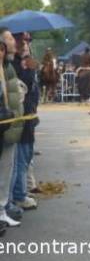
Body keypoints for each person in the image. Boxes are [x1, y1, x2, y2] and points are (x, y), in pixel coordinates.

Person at [0, 28, 26, 229]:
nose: (14, 41)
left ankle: (2, 209)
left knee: (7, 170)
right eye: (9, 38)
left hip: (10, 126)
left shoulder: (9, 64)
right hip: (4, 124)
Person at [10, 33, 39, 210]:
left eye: (28, 40)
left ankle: (21, 191)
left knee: (27, 155)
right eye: (22, 40)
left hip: (29, 115)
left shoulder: (27, 60)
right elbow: (24, 85)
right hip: (20, 116)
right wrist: (27, 66)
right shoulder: (14, 63)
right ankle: (19, 195)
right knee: (20, 157)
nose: (26, 43)